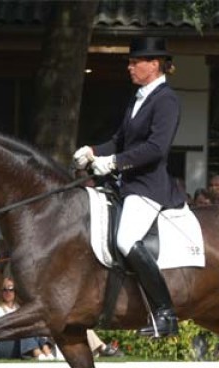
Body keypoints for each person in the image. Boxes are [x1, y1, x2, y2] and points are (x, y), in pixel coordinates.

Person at [72, 36, 184, 337]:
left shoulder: (166, 100)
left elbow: (156, 148)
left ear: (155, 64)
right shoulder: (138, 98)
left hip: (149, 187)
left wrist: (115, 162)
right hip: (126, 184)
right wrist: (94, 151)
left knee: (125, 239)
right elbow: (119, 141)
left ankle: (165, 313)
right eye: (131, 62)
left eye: (136, 62)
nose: (130, 67)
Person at [0, 277, 57, 360]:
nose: (8, 292)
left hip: (17, 343)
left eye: (11, 289)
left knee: (34, 327)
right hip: (0, 346)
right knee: (26, 329)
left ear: (16, 291)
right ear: (1, 292)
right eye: (4, 290)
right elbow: (8, 327)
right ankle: (37, 353)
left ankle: (47, 352)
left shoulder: (18, 307)